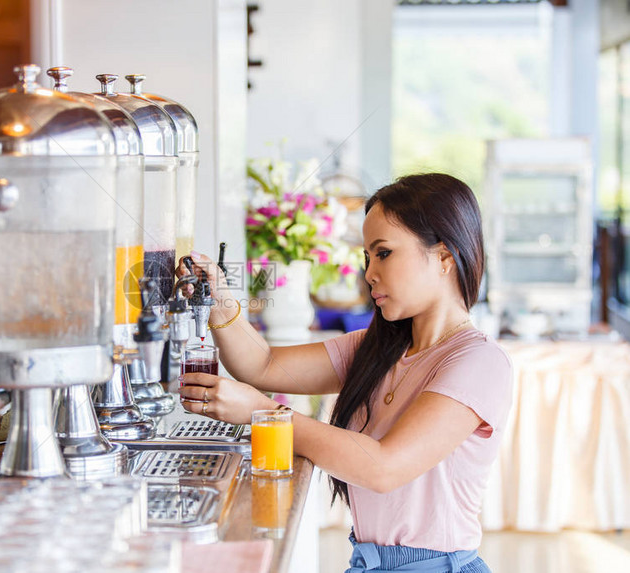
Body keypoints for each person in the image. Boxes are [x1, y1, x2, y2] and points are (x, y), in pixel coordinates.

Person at [177, 173, 512, 572]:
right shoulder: (376, 349)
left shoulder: (478, 362)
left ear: (443, 257)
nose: (369, 273)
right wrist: (219, 299)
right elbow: (260, 364)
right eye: (367, 257)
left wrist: (262, 415)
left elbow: (384, 467)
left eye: (383, 253)